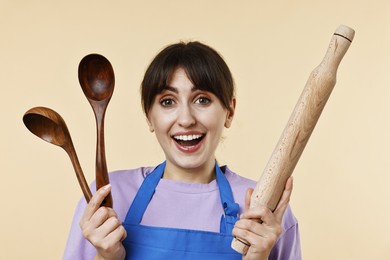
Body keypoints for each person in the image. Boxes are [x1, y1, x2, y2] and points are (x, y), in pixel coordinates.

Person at [63, 41, 301, 260]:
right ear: (149, 116)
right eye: (168, 101)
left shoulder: (263, 210)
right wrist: (105, 258)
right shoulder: (105, 200)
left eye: (202, 100)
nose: (186, 119)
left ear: (229, 111)